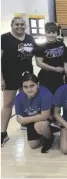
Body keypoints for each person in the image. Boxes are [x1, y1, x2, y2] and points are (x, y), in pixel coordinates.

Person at [1, 17, 37, 146]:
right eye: (17, 24)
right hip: (9, 76)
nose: (20, 26)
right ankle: (3, 133)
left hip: (26, 76)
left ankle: (24, 123)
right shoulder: (4, 38)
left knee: (25, 101)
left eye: (22, 24)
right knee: (8, 103)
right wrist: (1, 78)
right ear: (12, 25)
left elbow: (37, 52)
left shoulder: (29, 38)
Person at [15, 72, 54, 153]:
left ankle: (49, 137)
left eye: (32, 86)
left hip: (46, 119)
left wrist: (25, 120)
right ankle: (42, 134)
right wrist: (23, 120)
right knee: (33, 145)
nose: (29, 90)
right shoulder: (19, 98)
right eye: (25, 87)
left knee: (40, 125)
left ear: (38, 84)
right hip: (31, 121)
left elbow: (44, 116)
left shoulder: (45, 94)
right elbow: (19, 118)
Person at [35, 22, 65, 94]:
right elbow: (39, 63)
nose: (51, 35)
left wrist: (65, 72)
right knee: (47, 101)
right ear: (45, 33)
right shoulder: (40, 47)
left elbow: (65, 59)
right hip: (46, 78)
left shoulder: (61, 44)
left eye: (53, 32)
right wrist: (55, 69)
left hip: (59, 78)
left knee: (58, 100)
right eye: (49, 33)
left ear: (56, 33)